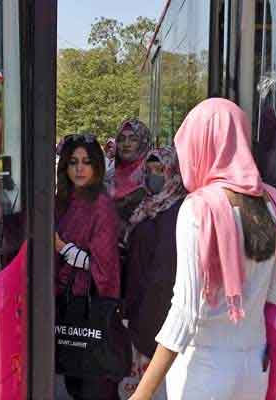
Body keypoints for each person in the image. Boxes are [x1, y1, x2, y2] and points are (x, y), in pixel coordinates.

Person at [129, 98, 276, 400]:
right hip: (254, 368)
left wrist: (141, 394)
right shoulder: (273, 204)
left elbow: (184, 313)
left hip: (202, 370)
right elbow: (275, 293)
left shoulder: (199, 208)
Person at [54, 133, 121, 400]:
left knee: (91, 386)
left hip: (89, 305)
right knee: (73, 380)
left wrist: (63, 249)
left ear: (97, 166)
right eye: (73, 162)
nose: (79, 168)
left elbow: (103, 268)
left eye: (86, 162)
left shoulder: (100, 206)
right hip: (66, 302)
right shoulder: (64, 201)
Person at [120, 146, 186, 399]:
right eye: (148, 171)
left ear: (173, 172)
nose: (153, 176)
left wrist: (141, 322)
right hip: (141, 312)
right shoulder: (147, 206)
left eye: (160, 170)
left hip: (156, 319)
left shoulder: (177, 213)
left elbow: (162, 275)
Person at [106, 118, 152, 223]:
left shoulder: (152, 175)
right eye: (121, 139)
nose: (126, 144)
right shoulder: (109, 175)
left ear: (143, 142)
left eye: (133, 139)